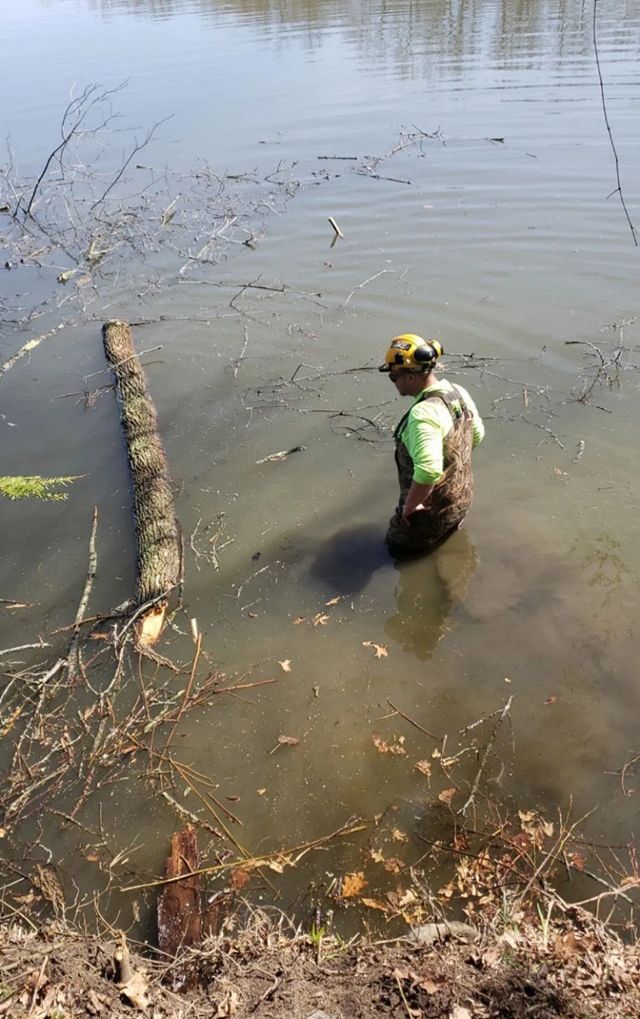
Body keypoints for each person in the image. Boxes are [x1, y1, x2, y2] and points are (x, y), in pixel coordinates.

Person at [379, 334, 484, 556]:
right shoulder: (457, 393)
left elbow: (428, 470)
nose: (392, 381)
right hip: (460, 501)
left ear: (410, 377)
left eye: (393, 376)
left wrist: (409, 507)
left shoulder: (422, 414)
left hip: (425, 515)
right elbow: (477, 435)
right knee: (445, 547)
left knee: (394, 553)